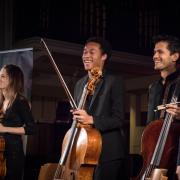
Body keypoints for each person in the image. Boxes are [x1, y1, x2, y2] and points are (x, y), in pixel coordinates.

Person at [72, 37, 127, 180]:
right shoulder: (79, 84)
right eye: (84, 52)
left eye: (92, 52)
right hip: (84, 149)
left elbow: (119, 119)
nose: (86, 56)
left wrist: (91, 119)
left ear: (104, 56)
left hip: (108, 152)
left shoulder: (114, 81)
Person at [146, 34, 180, 179]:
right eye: (154, 52)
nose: (155, 56)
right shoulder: (153, 87)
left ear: (175, 56)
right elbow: (150, 125)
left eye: (160, 52)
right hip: (154, 157)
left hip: (176, 156)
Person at [0, 64, 35, 180]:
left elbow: (32, 128)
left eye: (3, 76)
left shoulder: (20, 102)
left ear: (13, 79)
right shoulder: (1, 101)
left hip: (13, 153)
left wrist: (4, 129)